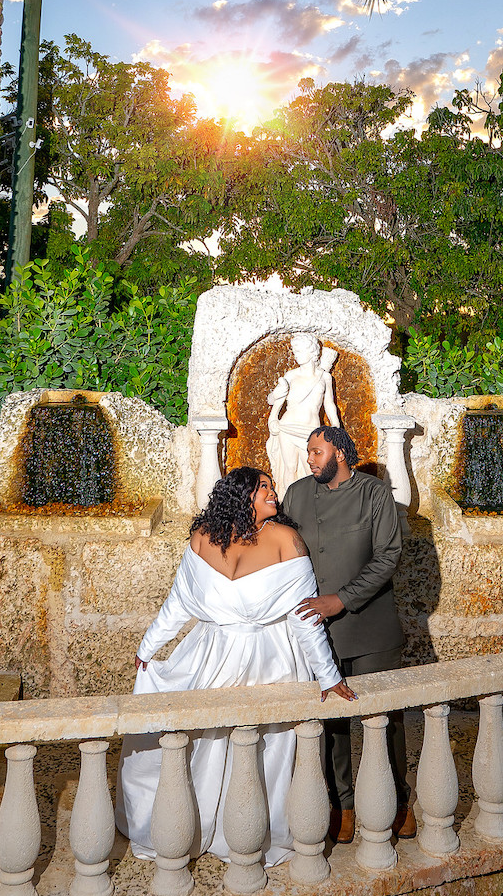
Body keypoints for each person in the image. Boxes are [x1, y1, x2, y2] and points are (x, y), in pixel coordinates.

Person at [115, 465, 357, 867]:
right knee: (202, 741)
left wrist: (329, 676)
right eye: (264, 487)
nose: (273, 492)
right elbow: (179, 603)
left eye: (272, 486)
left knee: (266, 746)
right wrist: (148, 647)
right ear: (241, 495)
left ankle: (253, 829)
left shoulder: (285, 539)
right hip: (212, 656)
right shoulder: (202, 537)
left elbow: (305, 617)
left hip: (270, 661)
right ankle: (191, 824)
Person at [280, 424, 414, 845]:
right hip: (317, 633)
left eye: (316, 451)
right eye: (308, 452)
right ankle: (342, 805)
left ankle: (398, 802)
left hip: (371, 627)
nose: (309, 458)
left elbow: (389, 556)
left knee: (385, 719)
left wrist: (341, 599)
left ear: (339, 452)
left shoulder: (375, 493)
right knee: (331, 724)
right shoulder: (296, 494)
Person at [266, 335, 340, 497]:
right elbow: (273, 399)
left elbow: (329, 404)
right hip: (287, 427)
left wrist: (336, 427)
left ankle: (313, 503)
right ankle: (289, 504)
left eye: (299, 350)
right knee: (290, 468)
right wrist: (273, 415)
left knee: (312, 469)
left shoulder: (325, 377)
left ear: (311, 351)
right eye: (295, 351)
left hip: (311, 430)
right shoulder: (290, 375)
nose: (296, 354)